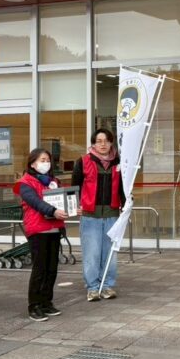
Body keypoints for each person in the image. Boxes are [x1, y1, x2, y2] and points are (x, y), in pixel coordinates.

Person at [72, 128, 126, 302]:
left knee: (110, 253)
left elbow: (124, 188)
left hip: (112, 214)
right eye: (99, 141)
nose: (103, 144)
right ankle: (93, 288)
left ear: (111, 143)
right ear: (93, 144)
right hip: (90, 215)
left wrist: (126, 205)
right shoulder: (83, 161)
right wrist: (75, 206)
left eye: (106, 141)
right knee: (92, 253)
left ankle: (107, 285)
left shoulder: (119, 162)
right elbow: (75, 187)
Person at [17, 148, 67, 322]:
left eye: (47, 160)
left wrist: (72, 208)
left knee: (52, 268)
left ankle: (46, 301)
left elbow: (64, 199)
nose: (46, 163)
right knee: (40, 268)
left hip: (54, 228)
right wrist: (53, 211)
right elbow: (36, 202)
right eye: (42, 160)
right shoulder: (25, 183)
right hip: (38, 230)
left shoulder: (54, 181)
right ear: (32, 163)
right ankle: (34, 305)